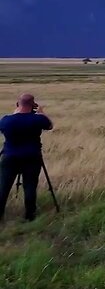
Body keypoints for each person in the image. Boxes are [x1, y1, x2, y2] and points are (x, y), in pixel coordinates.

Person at [0, 93, 53, 222]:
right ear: (33, 105)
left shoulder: (6, 120)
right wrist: (41, 112)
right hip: (32, 157)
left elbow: (3, 128)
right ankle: (30, 216)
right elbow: (50, 125)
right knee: (30, 186)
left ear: (18, 104)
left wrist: (15, 114)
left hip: (9, 156)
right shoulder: (37, 119)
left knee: (3, 187)